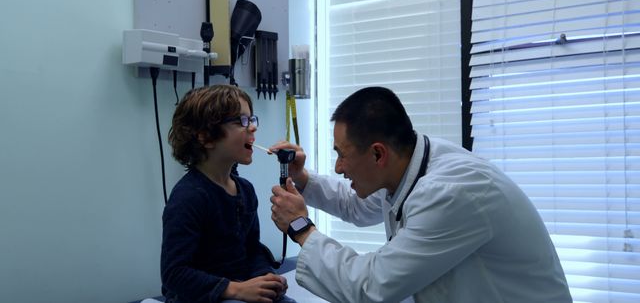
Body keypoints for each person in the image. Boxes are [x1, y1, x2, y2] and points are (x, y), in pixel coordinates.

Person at [269, 86, 572, 303]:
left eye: (342, 155)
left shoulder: (450, 193)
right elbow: (356, 206)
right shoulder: (410, 161)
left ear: (378, 154)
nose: (337, 167)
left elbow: (371, 287)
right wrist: (303, 179)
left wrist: (301, 229)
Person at [161, 85, 296, 303]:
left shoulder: (246, 191)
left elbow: (252, 251)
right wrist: (234, 289)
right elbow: (174, 274)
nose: (252, 127)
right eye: (241, 121)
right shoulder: (189, 197)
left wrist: (266, 278)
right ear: (206, 138)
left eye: (252, 119)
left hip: (239, 288)